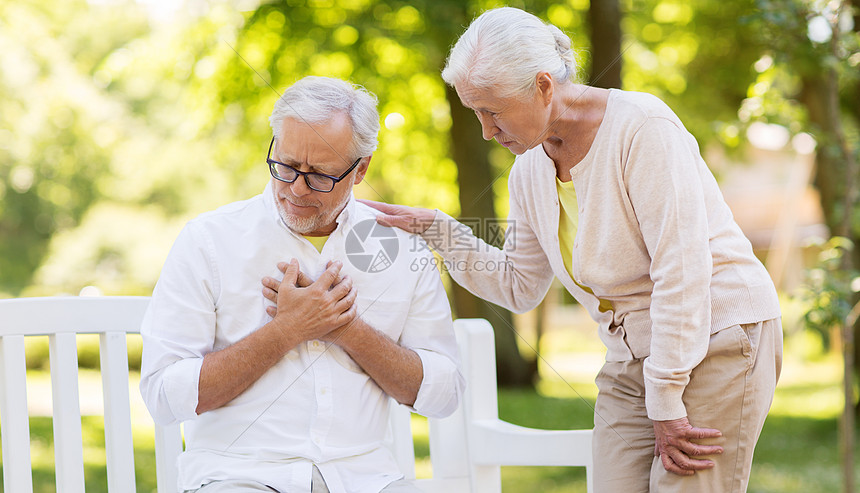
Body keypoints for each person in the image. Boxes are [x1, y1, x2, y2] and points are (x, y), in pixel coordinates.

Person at [362, 7, 782, 493]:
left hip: (716, 332)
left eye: (492, 111)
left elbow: (682, 271)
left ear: (543, 87)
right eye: (475, 113)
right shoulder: (529, 172)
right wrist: (436, 230)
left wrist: (666, 401)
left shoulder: (642, 129)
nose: (485, 130)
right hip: (632, 356)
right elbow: (519, 286)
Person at [139, 76, 464, 493]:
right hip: (239, 476)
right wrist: (286, 330)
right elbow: (164, 397)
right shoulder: (209, 240)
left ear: (360, 168)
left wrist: (346, 328)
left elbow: (444, 394)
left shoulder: (400, 248)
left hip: (366, 480)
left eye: (320, 175)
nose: (295, 188)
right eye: (287, 165)